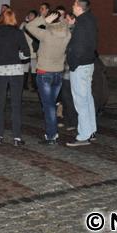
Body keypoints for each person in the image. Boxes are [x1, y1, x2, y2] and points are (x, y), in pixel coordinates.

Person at [26, 9, 71, 144]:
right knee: (51, 103)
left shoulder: (46, 34)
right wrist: (60, 19)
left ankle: (51, 135)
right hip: (58, 73)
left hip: (44, 72)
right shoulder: (67, 34)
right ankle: (52, 133)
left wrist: (44, 20)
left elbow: (29, 26)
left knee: (49, 106)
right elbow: (66, 25)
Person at [0, 9, 30, 146]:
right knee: (16, 104)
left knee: (0, 104)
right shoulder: (18, 33)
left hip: (0, 71)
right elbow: (26, 54)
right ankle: (17, 137)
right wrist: (17, 56)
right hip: (16, 71)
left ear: (2, 19)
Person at [65, 0, 98, 147]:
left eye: (74, 4)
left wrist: (73, 63)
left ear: (79, 7)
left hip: (80, 65)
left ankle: (83, 134)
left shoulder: (82, 22)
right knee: (87, 98)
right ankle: (91, 130)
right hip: (88, 63)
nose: (72, 6)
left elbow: (78, 45)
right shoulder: (89, 19)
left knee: (81, 101)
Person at [20, 9, 39, 92]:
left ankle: (35, 86)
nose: (30, 16)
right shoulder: (24, 25)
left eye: (32, 15)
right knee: (25, 68)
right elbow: (19, 35)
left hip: (34, 51)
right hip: (25, 50)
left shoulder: (37, 26)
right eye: (29, 14)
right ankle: (24, 85)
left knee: (34, 69)